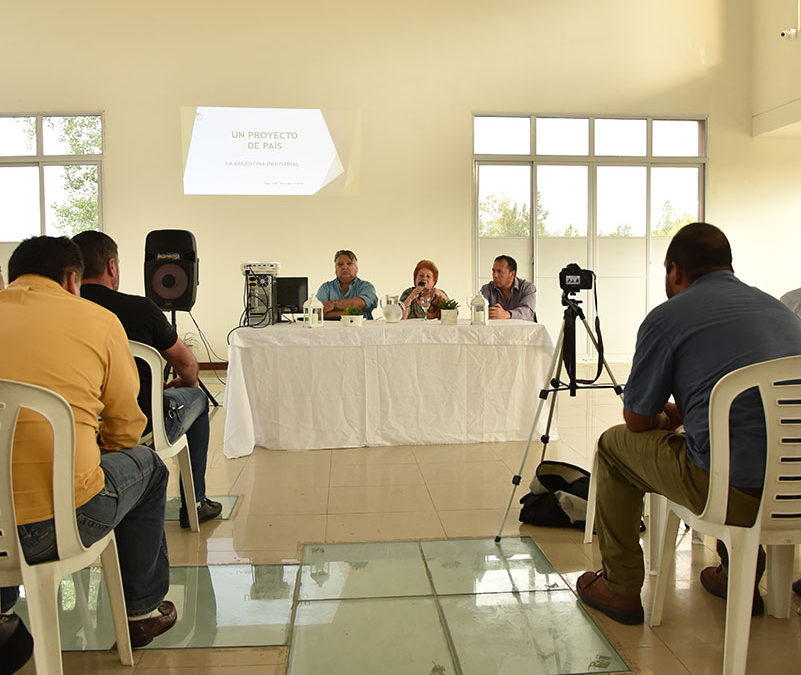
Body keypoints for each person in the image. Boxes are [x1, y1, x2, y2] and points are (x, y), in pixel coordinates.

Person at [575, 223, 801, 625]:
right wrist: (688, 413)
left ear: (674, 269)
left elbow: (637, 420)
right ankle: (738, 575)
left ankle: (621, 586)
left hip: (733, 494)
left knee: (613, 447)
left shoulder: (667, 318)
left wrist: (664, 416)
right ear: (728, 266)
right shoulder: (779, 309)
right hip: (794, 490)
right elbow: (753, 403)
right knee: (738, 444)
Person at [0, 237, 177, 671]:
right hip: (59, 524)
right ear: (70, 279)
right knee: (148, 467)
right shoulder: (98, 320)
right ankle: (142, 611)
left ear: (10, 278)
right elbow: (126, 430)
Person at [72, 231, 221, 529]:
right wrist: (187, 382)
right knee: (198, 398)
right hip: (144, 425)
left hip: (79, 430)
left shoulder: (61, 313)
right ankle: (195, 502)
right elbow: (188, 365)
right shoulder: (140, 308)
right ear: (112, 266)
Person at [316, 249, 378, 319]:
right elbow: (318, 312)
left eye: (349, 263)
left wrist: (334, 304)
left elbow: (362, 304)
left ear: (356, 268)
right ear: (335, 269)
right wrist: (353, 313)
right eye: (340, 264)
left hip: (360, 329)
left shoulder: (366, 287)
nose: (344, 267)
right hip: (329, 329)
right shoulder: (325, 288)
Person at [480, 255, 537, 321]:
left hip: (522, 329)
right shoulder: (487, 289)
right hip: (495, 330)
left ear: (512, 274)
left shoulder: (527, 288)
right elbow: (479, 312)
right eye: (493, 271)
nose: (495, 275)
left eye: (499, 272)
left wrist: (507, 314)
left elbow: (528, 312)